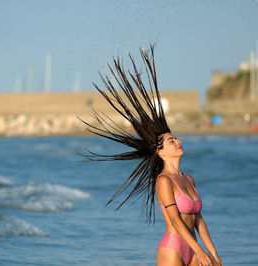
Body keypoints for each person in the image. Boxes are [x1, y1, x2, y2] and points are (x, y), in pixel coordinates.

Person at [79, 45, 223, 265]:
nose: (178, 142)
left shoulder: (189, 179)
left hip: (194, 247)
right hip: (173, 249)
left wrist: (212, 253)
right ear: (161, 152)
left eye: (176, 139)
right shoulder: (164, 181)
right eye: (172, 141)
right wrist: (199, 251)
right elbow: (175, 220)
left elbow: (199, 221)